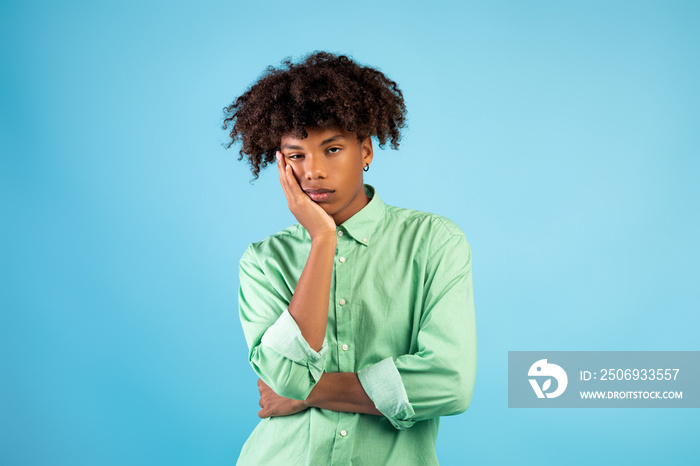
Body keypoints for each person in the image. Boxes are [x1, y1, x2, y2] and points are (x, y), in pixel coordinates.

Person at [222, 51, 476, 465]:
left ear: (366, 151)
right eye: (296, 155)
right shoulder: (264, 261)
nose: (314, 171)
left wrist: (308, 393)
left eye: (332, 149)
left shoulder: (434, 242)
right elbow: (283, 374)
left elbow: (449, 383)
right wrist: (322, 238)